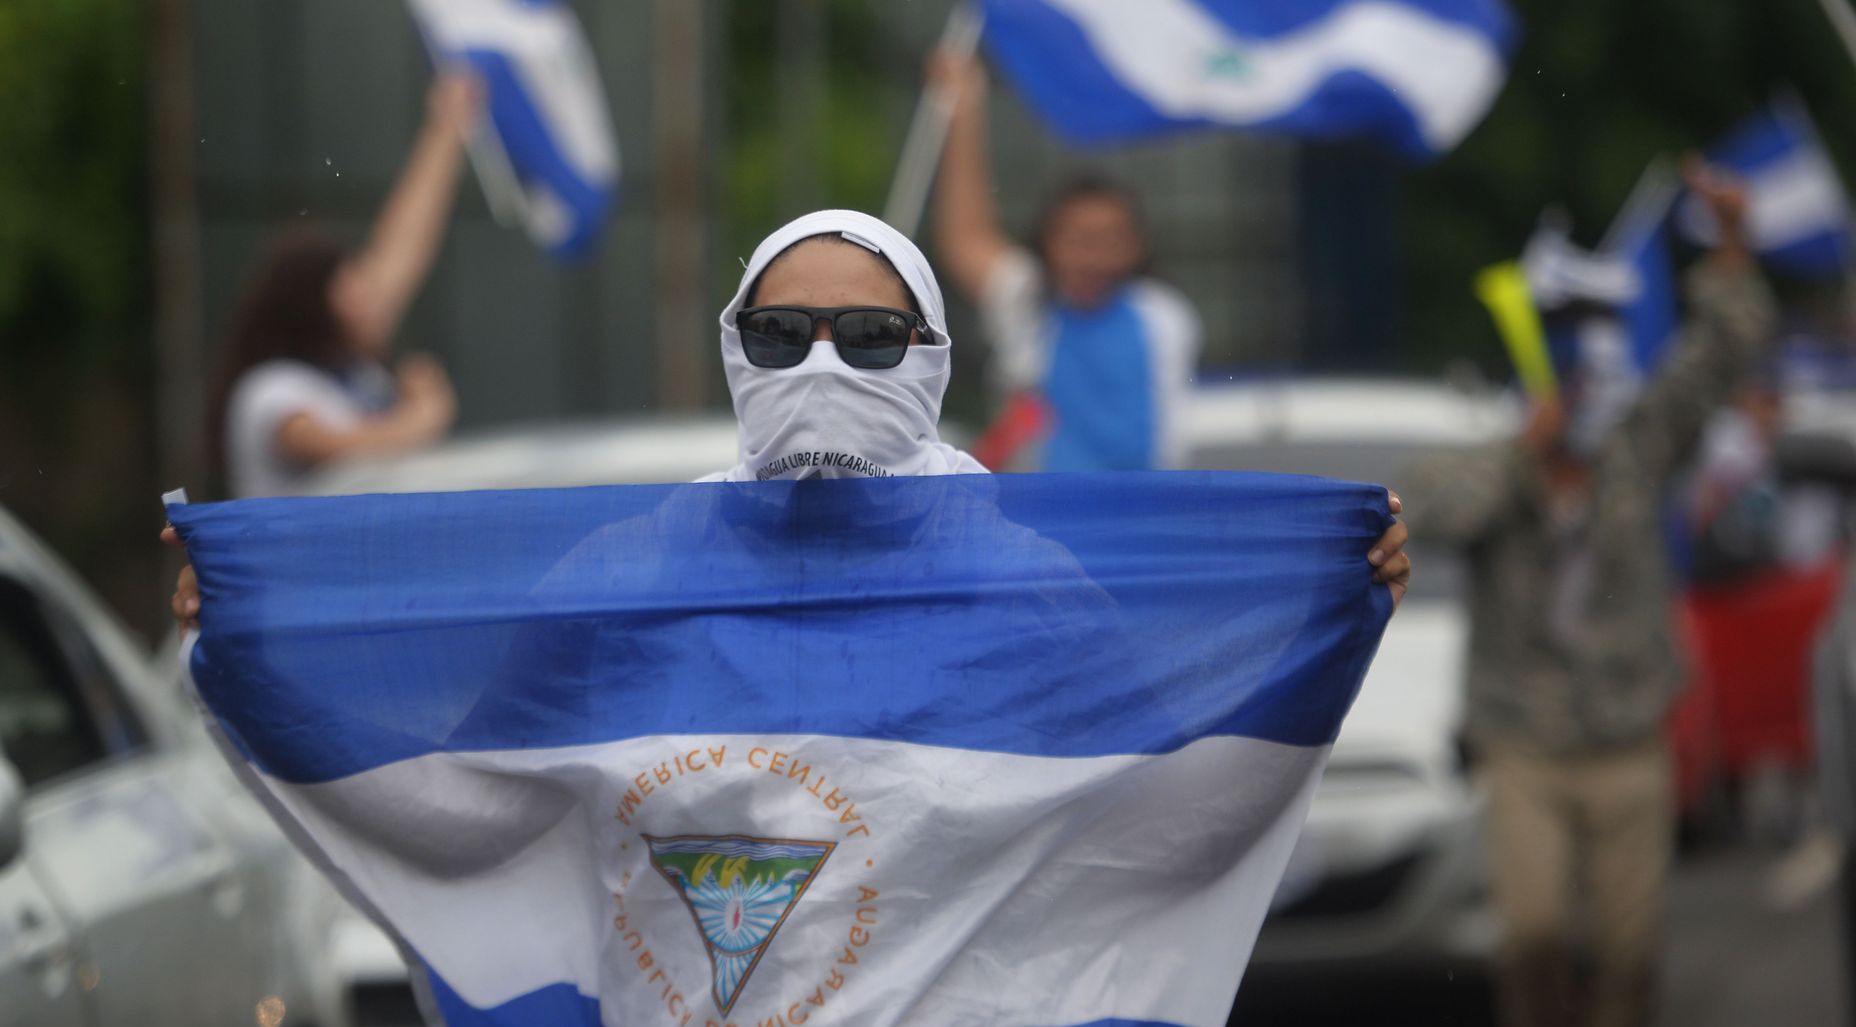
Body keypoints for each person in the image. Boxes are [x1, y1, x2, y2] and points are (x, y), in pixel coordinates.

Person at [167, 206, 1411, 671]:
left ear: (929, 355)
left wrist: (1328, 591)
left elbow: (1156, 759)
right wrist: (263, 620)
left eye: (868, 336)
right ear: (732, 349)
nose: (820, 365)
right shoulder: (633, 560)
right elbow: (482, 760)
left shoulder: (1026, 563)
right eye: (781, 336)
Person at [1405, 161, 1774, 1027]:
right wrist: (1523, 453)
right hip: (1524, 739)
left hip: (1625, 733)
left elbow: (1722, 352)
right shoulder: (1499, 466)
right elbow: (1429, 513)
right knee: (1528, 935)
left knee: (1630, 949)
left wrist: (1730, 242)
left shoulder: (1638, 452)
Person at [208, 71, 481, 500]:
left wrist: (448, 128)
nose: (374, 298)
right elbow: (340, 450)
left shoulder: (351, 374)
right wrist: (424, 414)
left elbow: (405, 246)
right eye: (356, 291)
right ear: (311, 306)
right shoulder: (272, 389)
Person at [927, 53, 1202, 473]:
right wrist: (963, 107)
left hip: (1141, 520)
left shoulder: (1165, 316)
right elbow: (965, 238)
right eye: (1078, 240)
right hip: (1043, 520)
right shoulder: (1027, 301)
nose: (1094, 256)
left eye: (1110, 239)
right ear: (1047, 244)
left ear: (1137, 247)